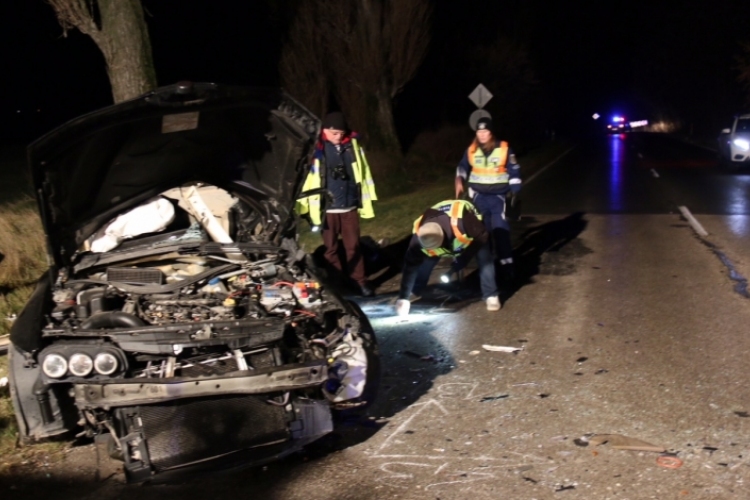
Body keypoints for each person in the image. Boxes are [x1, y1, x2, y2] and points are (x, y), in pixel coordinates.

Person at [296, 111, 377, 297]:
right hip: (327, 208)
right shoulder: (316, 148)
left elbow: (363, 172)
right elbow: (306, 179)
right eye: (334, 133)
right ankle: (339, 285)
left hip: (350, 205)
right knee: (330, 249)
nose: (338, 137)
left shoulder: (353, 145)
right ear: (325, 131)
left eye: (341, 133)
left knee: (354, 246)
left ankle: (359, 282)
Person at [394, 199, 499, 316]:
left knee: (485, 259)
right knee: (427, 261)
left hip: (476, 233)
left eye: (436, 246)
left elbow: (482, 235)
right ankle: (415, 290)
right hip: (444, 235)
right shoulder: (419, 238)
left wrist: (464, 258)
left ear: (443, 238)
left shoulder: (463, 221)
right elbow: (410, 267)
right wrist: (403, 297)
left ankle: (491, 294)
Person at [455, 117, 521, 286]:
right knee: (482, 234)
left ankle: (507, 267)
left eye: (485, 131)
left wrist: (515, 192)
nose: (482, 135)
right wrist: (459, 179)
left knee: (501, 232)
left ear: (491, 132)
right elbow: (463, 166)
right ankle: (487, 267)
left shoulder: (504, 148)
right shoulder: (471, 149)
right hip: (479, 197)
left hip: (498, 197)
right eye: (479, 132)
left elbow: (514, 171)